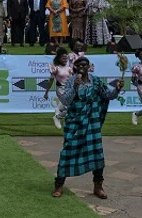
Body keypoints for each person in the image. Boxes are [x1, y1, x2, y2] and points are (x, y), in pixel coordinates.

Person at [52, 56, 123, 199]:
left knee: (97, 152)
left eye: (85, 65)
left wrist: (116, 89)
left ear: (89, 66)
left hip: (92, 122)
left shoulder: (95, 80)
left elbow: (108, 95)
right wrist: (75, 87)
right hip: (75, 123)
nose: (82, 67)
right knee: (68, 151)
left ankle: (98, 186)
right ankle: (59, 185)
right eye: (79, 65)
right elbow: (65, 100)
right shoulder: (71, 81)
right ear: (75, 67)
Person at [42, 48, 72, 129]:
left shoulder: (69, 68)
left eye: (66, 58)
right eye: (63, 58)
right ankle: (57, 116)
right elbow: (51, 81)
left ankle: (58, 110)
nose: (65, 60)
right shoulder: (55, 69)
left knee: (73, 107)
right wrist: (46, 92)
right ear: (59, 58)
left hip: (69, 90)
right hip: (60, 90)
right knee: (71, 108)